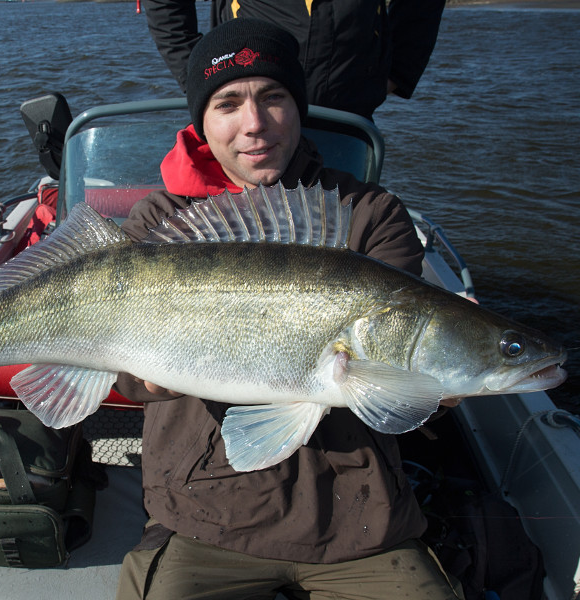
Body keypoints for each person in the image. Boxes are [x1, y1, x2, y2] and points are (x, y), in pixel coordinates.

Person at [113, 18, 463, 600]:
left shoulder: (369, 213)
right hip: (205, 514)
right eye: (227, 103)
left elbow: (402, 360)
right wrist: (146, 376)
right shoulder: (160, 223)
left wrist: (434, 385)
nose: (255, 124)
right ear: (202, 121)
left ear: (299, 106)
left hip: (361, 520)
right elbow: (128, 380)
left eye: (273, 97)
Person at [143, 0, 446, 120]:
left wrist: (393, 74)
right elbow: (166, 8)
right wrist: (205, 82)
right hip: (247, 119)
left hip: (346, 121)